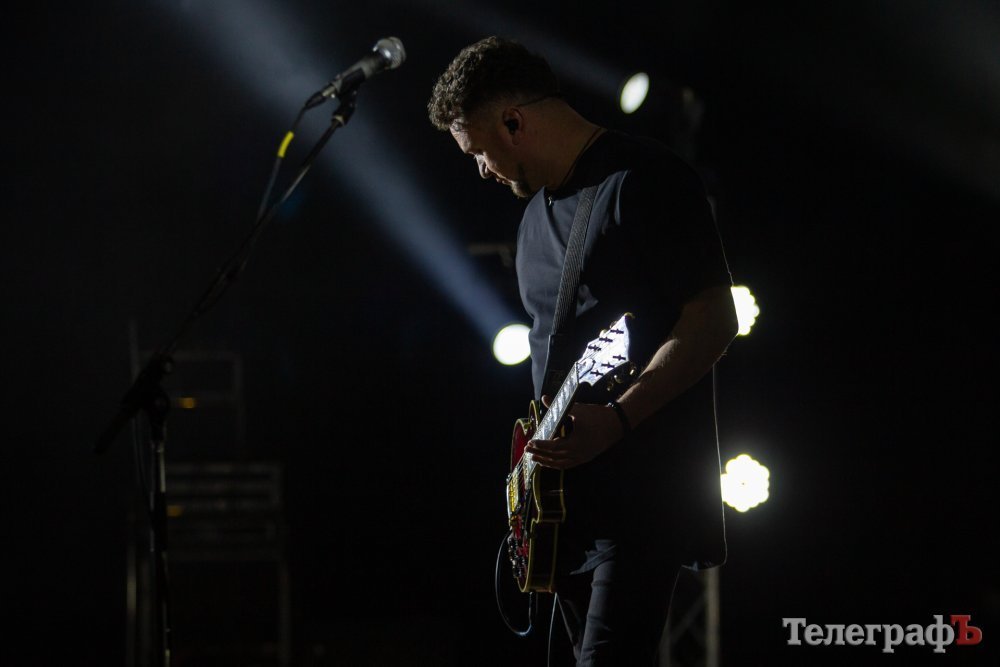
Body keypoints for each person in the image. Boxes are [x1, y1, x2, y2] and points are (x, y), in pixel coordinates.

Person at [428, 36, 738, 666]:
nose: (481, 170)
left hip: (642, 496)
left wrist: (619, 417)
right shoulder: (530, 224)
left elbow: (714, 318)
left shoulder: (645, 179)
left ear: (513, 122)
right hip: (564, 511)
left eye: (479, 151)